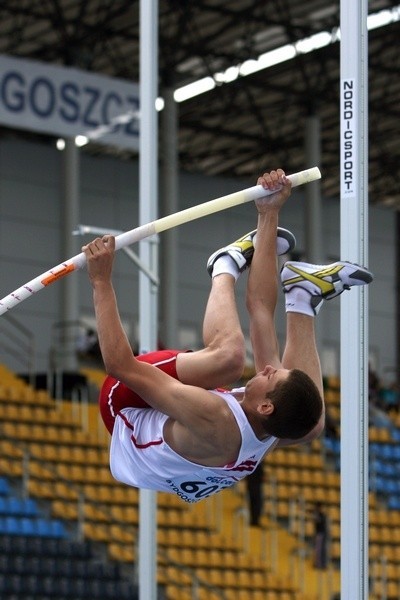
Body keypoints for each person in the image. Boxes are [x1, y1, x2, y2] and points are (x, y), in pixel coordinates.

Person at [82, 169, 373, 504]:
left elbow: (119, 365)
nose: (265, 368)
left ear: (265, 405)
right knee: (312, 424)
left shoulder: (215, 418)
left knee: (230, 359)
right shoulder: (270, 422)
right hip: (189, 444)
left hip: (122, 408)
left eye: (270, 376)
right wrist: (269, 212)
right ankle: (302, 298)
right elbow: (260, 308)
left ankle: (224, 265)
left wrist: (101, 281)